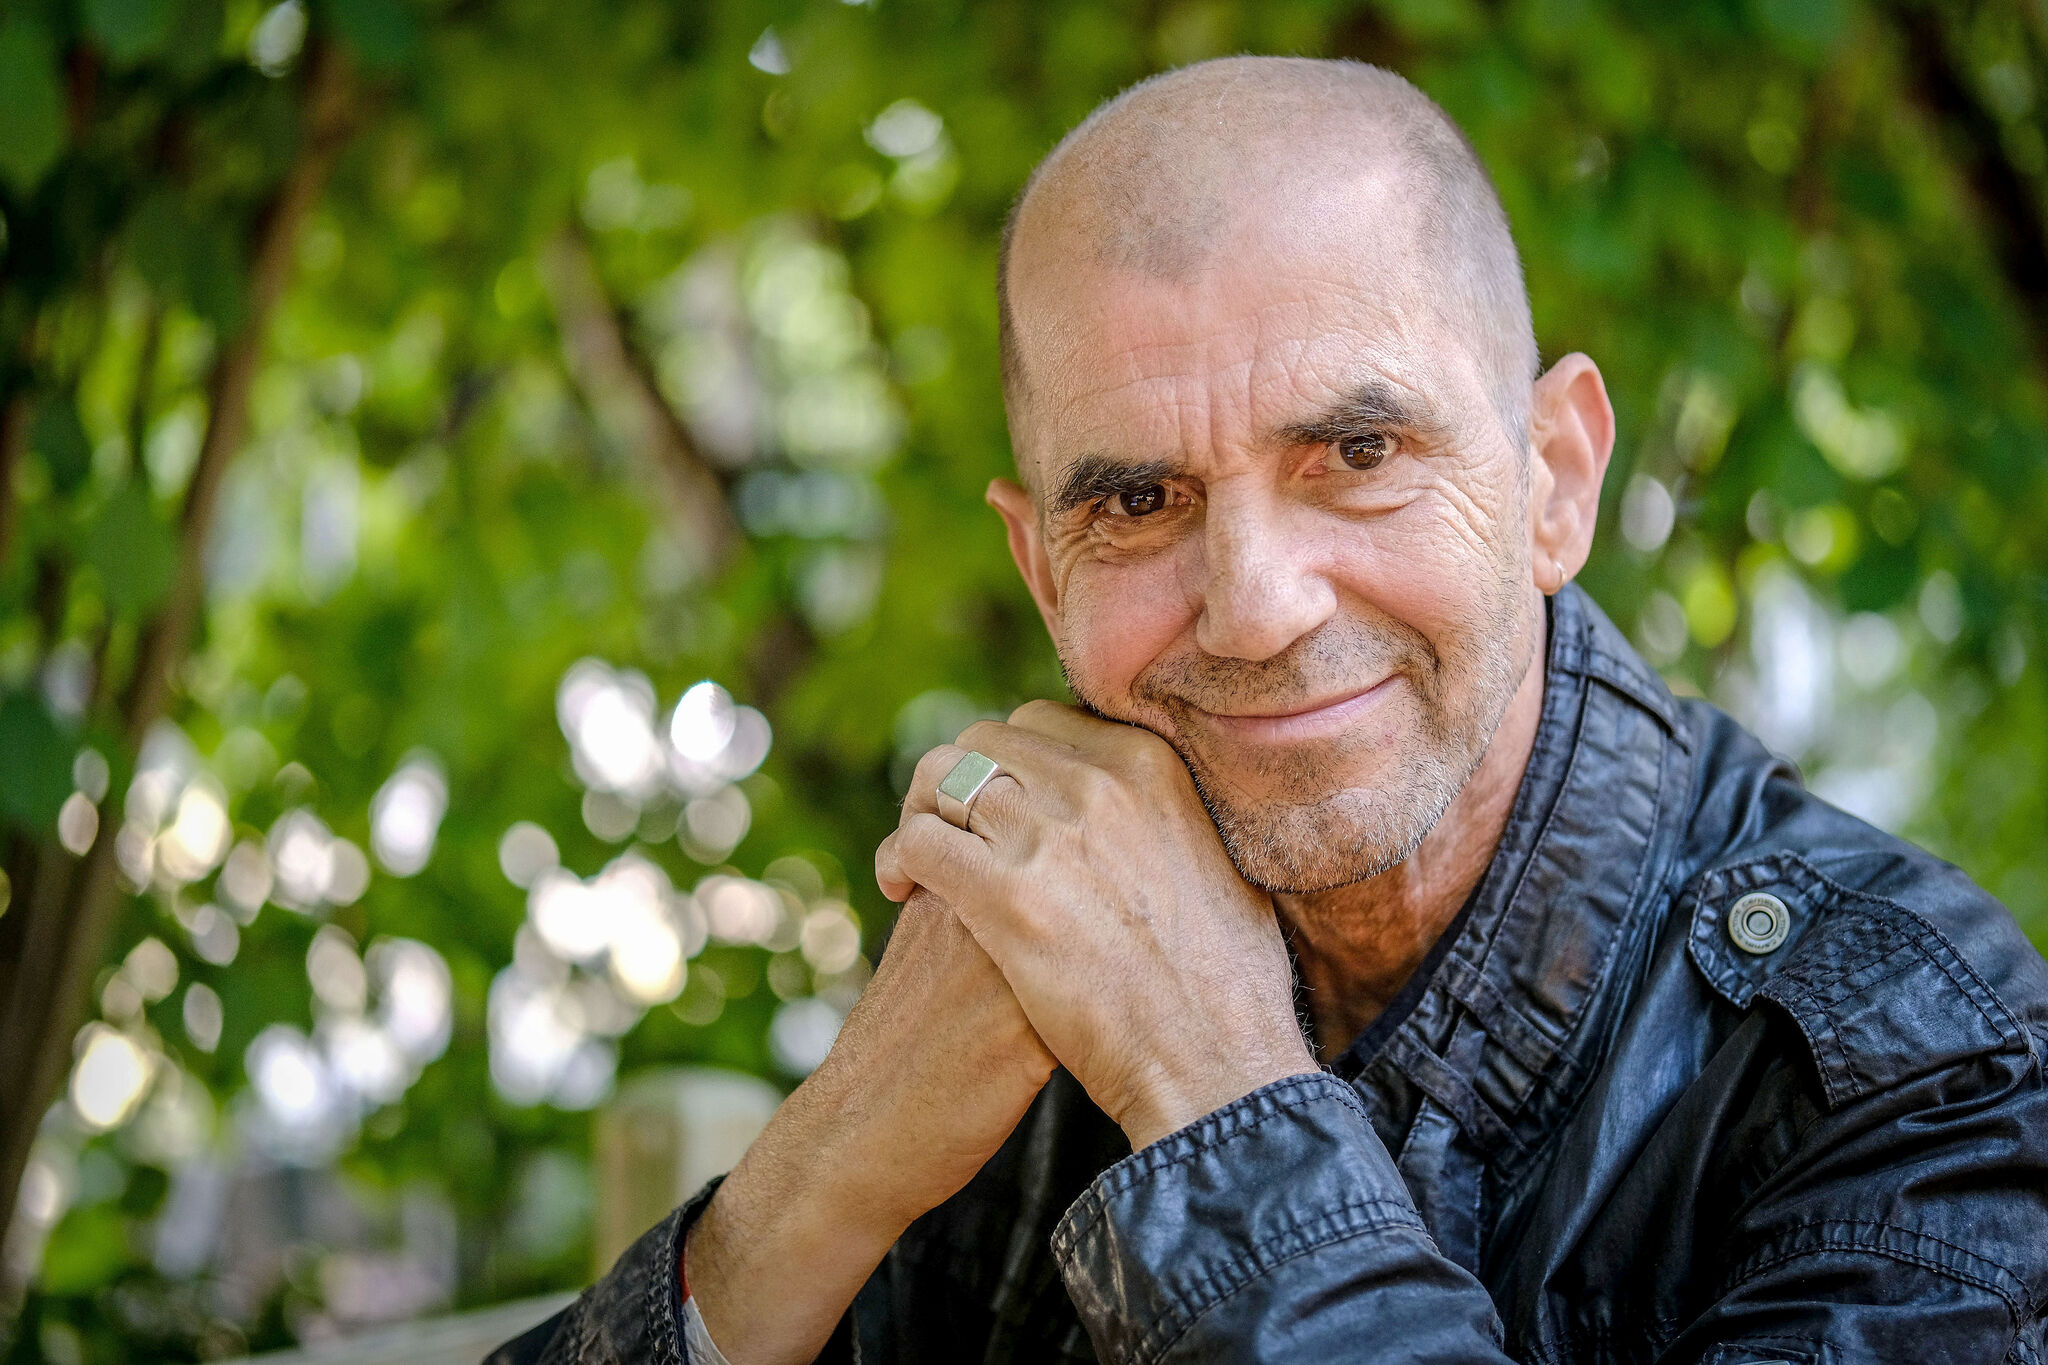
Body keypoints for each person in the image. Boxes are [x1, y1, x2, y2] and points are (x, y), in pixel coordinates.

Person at [493, 57, 2048, 1364]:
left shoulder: (1931, 1071)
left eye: (1359, 454)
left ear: (1554, 480)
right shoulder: (1024, 971)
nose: (1254, 602)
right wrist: (823, 1176)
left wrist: (1208, 1079)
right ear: (1044, 571)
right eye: (1142, 500)